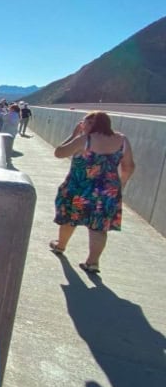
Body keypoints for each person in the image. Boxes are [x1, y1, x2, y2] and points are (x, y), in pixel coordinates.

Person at [49, 111, 136, 274]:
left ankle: (60, 245)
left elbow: (59, 153)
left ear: (91, 125)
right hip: (107, 191)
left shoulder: (85, 140)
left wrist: (74, 134)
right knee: (99, 227)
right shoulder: (122, 140)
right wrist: (119, 185)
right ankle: (93, 262)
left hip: (80, 188)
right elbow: (129, 166)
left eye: (85, 123)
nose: (83, 125)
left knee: (70, 218)